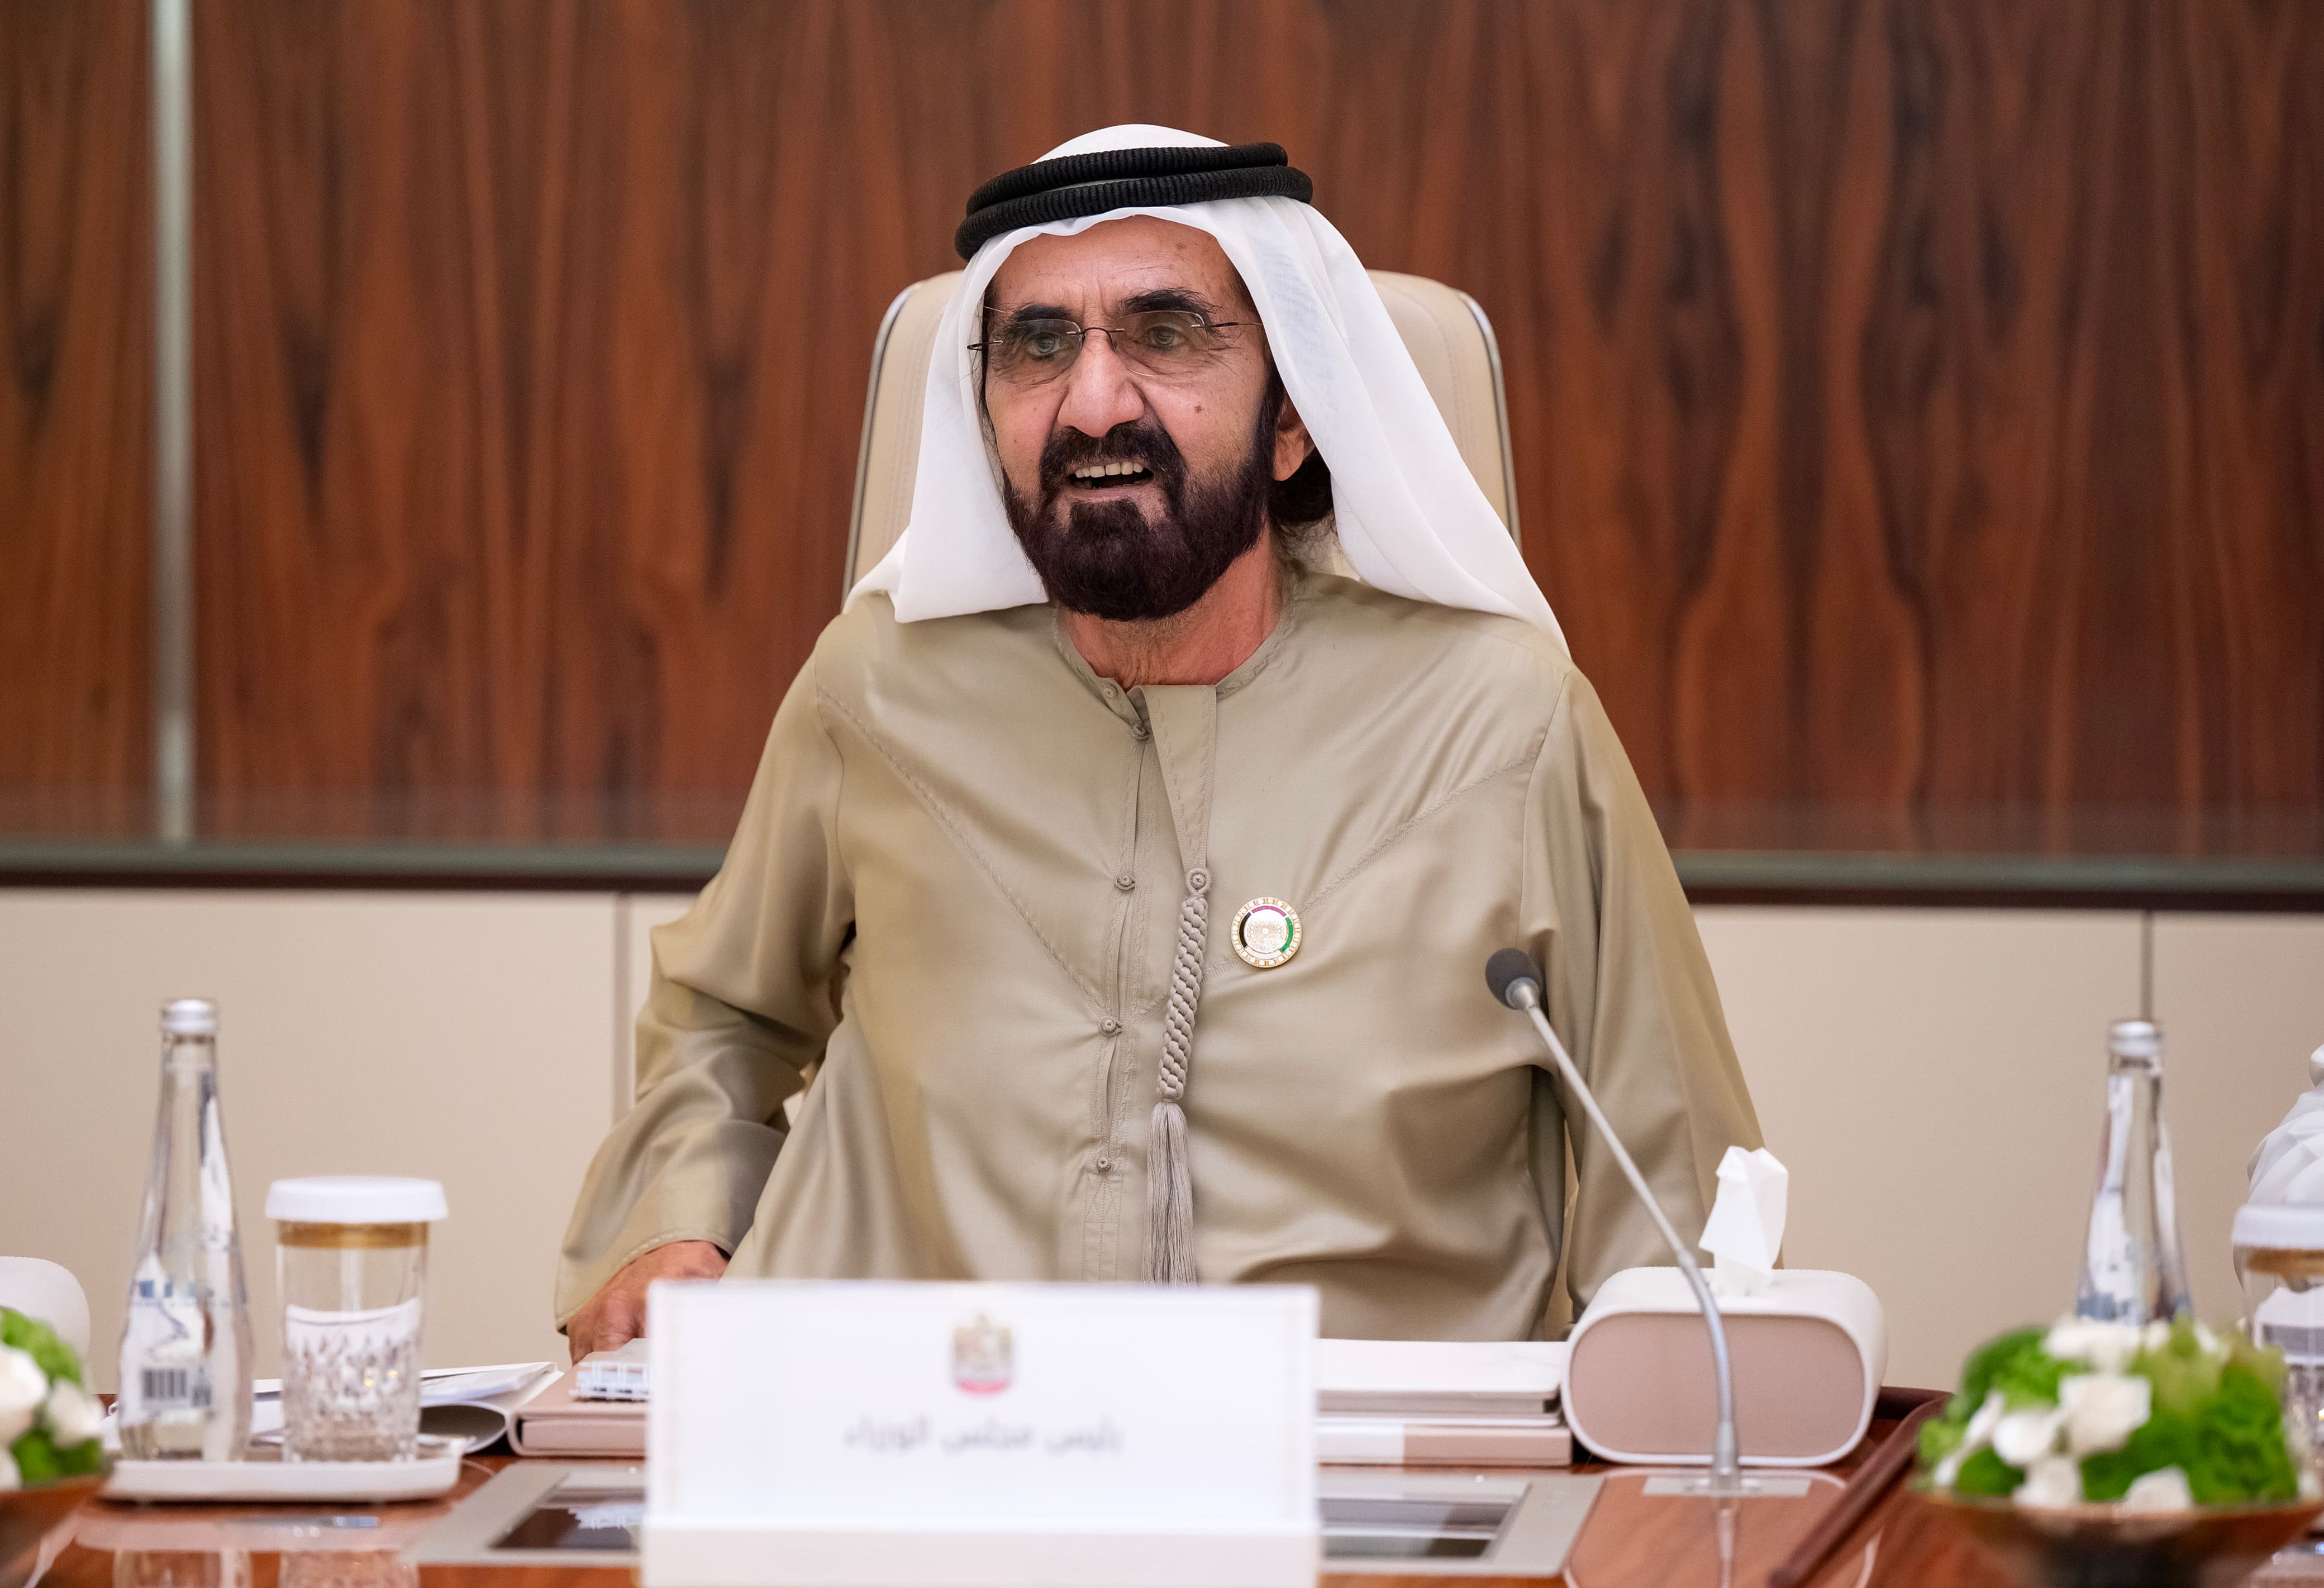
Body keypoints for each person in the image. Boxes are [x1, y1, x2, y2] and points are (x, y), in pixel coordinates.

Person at [558, 126, 1761, 1358]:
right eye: (1038, 347)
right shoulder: (878, 690)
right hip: (943, 1434)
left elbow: (1668, 1176)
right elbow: (724, 1017)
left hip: (1368, 1457)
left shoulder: (1501, 722)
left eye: (1167, 335)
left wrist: (1662, 1414)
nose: (1093, 404)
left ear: (1292, 421)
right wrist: (675, 1223)